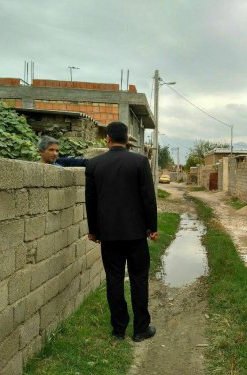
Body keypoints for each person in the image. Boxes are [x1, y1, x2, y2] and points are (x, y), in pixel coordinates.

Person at [85, 121, 158, 342]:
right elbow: (148, 198)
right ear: (127, 140)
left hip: (109, 235)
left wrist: (93, 230)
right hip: (136, 234)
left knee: (114, 280)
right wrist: (152, 228)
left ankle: (118, 330)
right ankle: (140, 329)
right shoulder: (139, 162)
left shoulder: (94, 165)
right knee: (139, 279)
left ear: (107, 139)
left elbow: (91, 201)